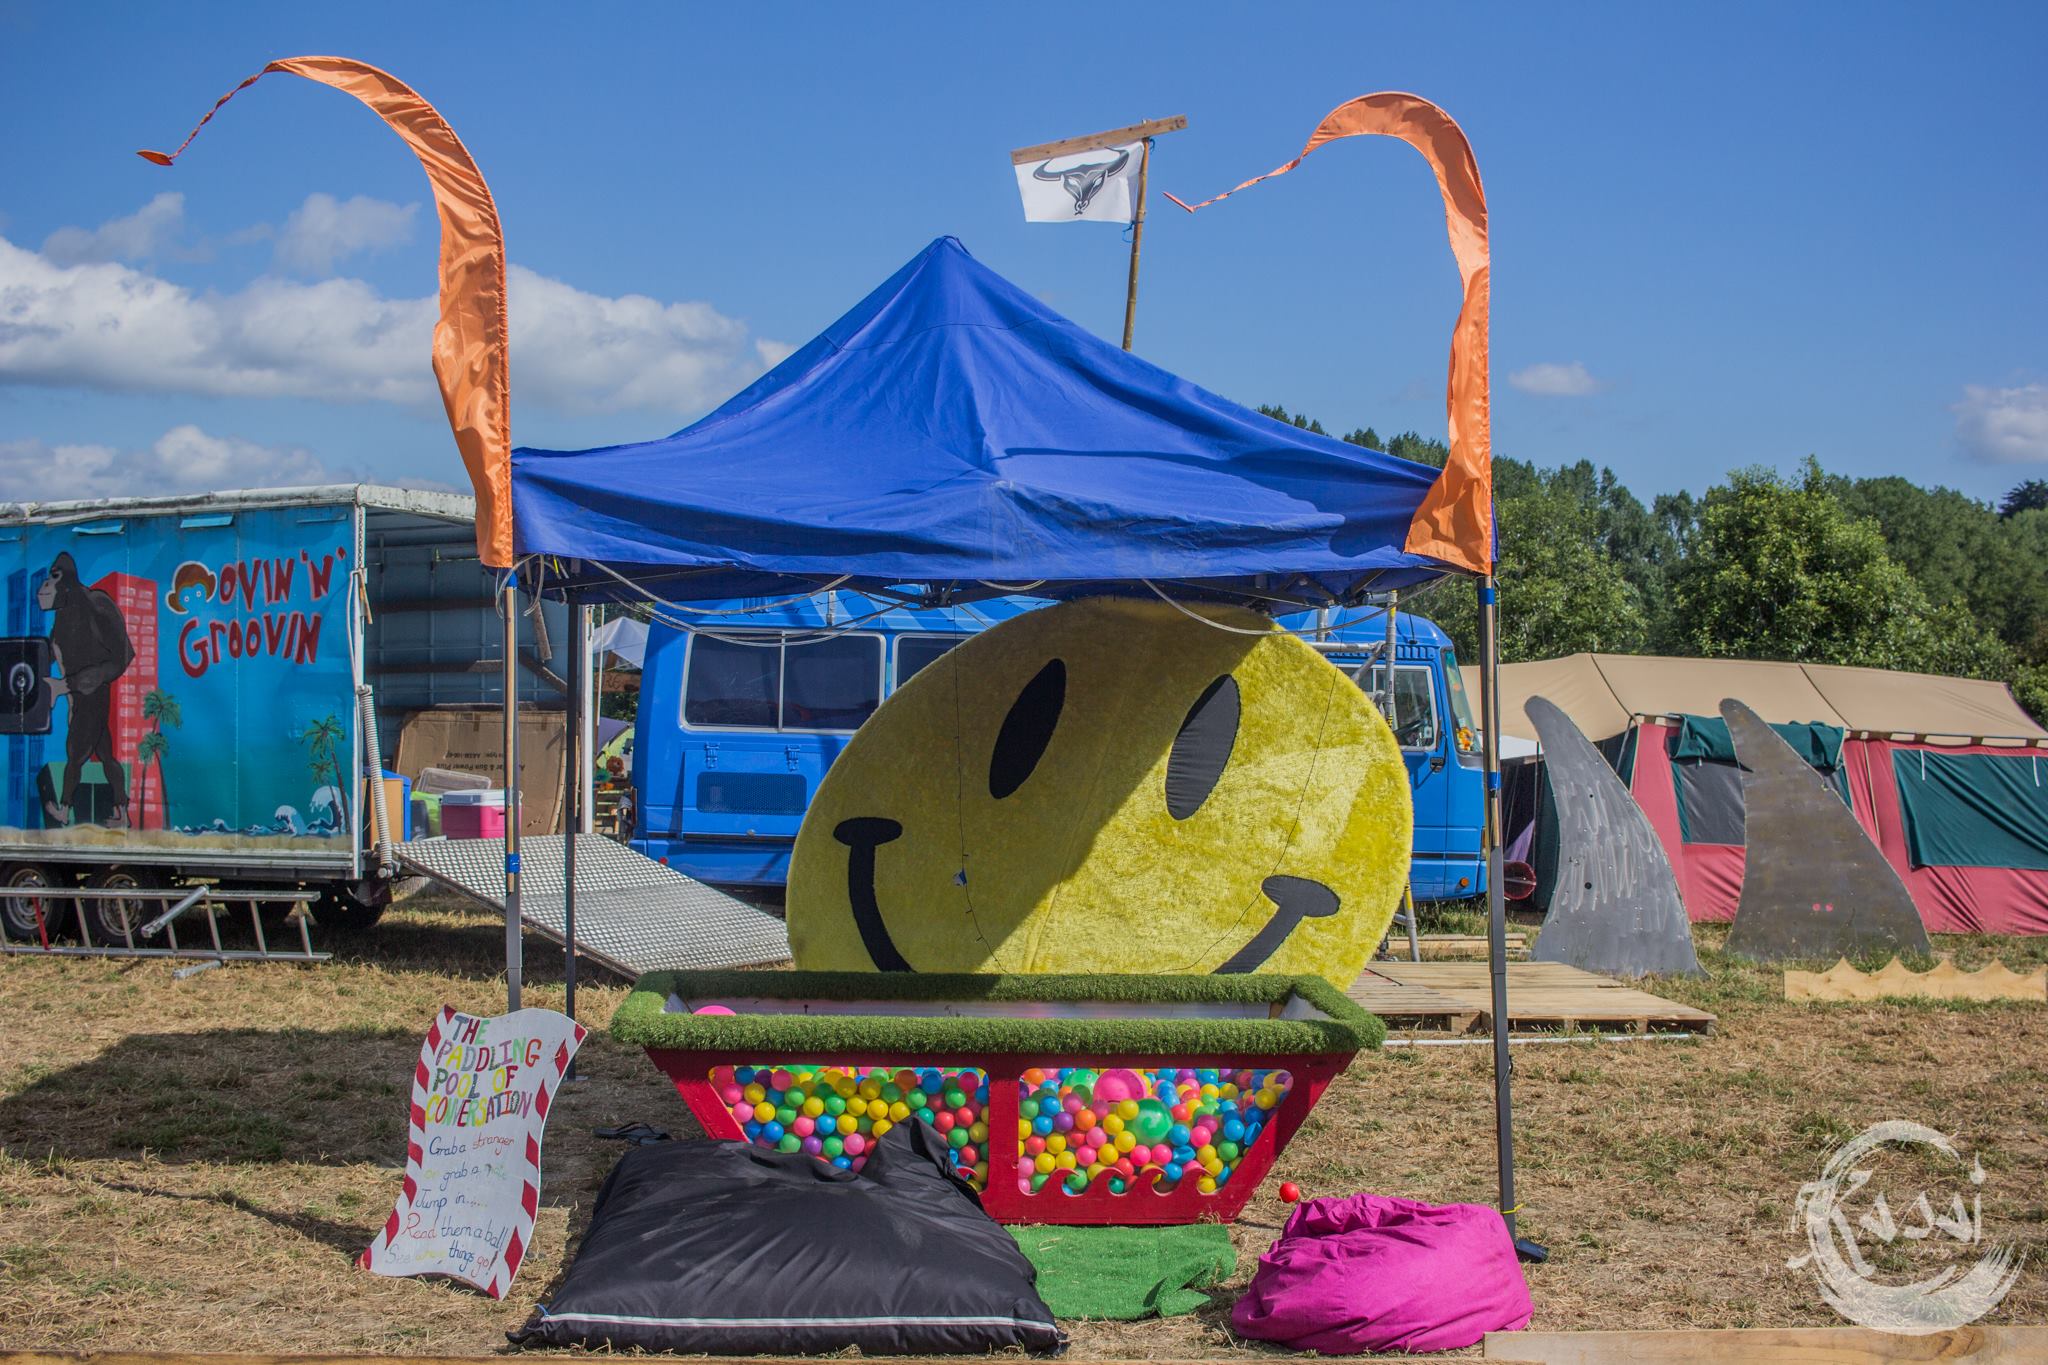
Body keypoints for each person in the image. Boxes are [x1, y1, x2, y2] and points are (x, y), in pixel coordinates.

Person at [37, 553, 133, 826]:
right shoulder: (64, 616)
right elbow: (51, 652)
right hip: (84, 697)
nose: (45, 585)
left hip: (90, 697)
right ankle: (122, 813)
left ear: (66, 581)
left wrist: (67, 685)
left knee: (75, 756)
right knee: (106, 755)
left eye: (54, 577)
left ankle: (65, 810)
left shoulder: (95, 605)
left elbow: (122, 656)